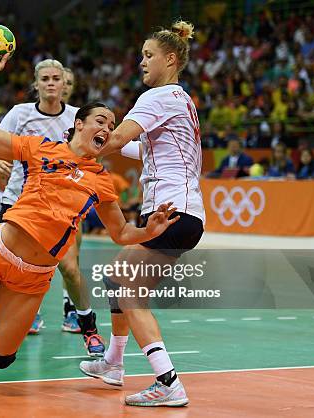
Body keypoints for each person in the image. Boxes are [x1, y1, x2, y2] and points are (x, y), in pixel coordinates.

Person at [0, 53, 177, 375]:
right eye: (100, 120)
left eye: (112, 125)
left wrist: (150, 231)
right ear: (79, 124)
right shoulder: (40, 147)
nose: (108, 127)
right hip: (0, 249)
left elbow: (121, 234)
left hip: (34, 277)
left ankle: (3, 313)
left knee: (2, 357)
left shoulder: (100, 180)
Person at [79, 21, 205, 408]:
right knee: (119, 278)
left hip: (170, 212)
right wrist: (109, 145)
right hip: (182, 214)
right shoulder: (179, 99)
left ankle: (167, 381)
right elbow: (139, 149)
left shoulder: (157, 97)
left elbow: (114, 140)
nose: (141, 62)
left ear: (171, 59)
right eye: (141, 55)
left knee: (128, 290)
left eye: (149, 55)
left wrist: (78, 143)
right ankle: (114, 364)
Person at [0, 60, 105, 362]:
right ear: (36, 83)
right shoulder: (20, 114)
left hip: (62, 210)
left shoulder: (77, 117)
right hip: (20, 204)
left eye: (56, 78)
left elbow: (99, 150)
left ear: (65, 84)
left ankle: (87, 327)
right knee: (4, 270)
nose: (50, 83)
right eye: (44, 78)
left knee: (70, 269)